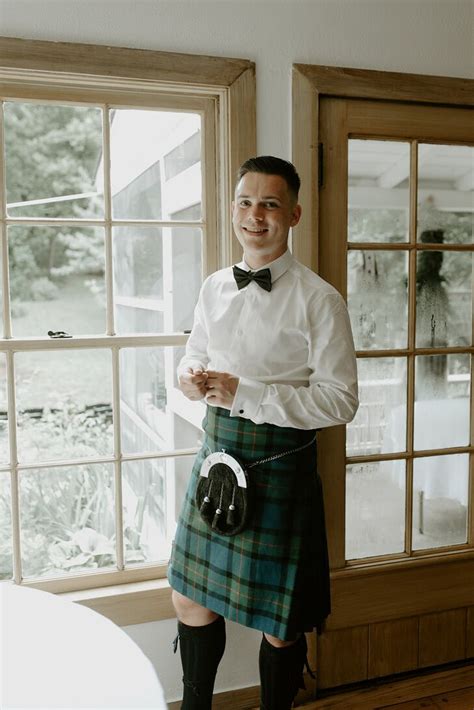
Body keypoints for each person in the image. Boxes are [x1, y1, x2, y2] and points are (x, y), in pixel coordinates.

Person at [168, 156, 358, 710]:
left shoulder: (320, 300)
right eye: (246, 202)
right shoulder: (212, 288)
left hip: (277, 460)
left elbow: (340, 400)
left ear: (293, 214)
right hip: (216, 452)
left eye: (270, 204)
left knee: (280, 620)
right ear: (233, 210)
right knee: (189, 599)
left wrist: (245, 394)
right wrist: (188, 377)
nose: (256, 215)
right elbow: (195, 353)